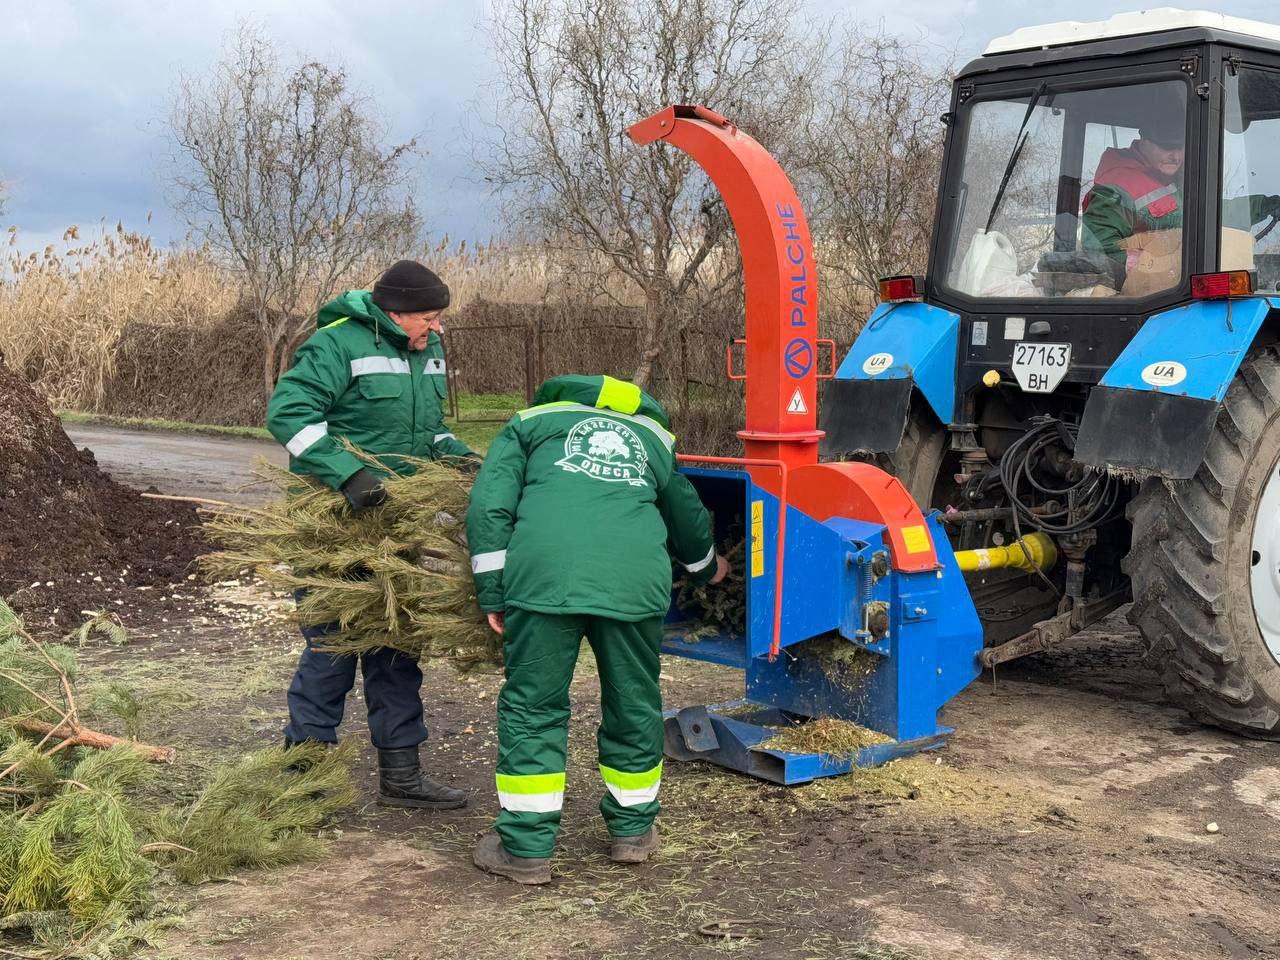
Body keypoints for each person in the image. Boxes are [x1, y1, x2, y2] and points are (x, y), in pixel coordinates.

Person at [465, 374, 729, 884]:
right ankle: (632, 833)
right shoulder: (652, 437)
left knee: (533, 707)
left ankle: (525, 850)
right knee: (633, 700)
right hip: (632, 587)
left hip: (544, 584)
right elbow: (686, 515)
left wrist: (493, 592)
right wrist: (707, 568)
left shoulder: (530, 423)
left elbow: (488, 508)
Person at [266, 259, 480, 810]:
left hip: (396, 524)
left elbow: (430, 430)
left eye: (438, 319)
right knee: (333, 647)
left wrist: (459, 461)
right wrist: (349, 475)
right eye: (428, 318)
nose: (436, 328)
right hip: (334, 526)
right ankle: (303, 781)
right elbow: (289, 415)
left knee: (397, 644)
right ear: (395, 312)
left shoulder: (426, 350)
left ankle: (402, 777)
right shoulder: (336, 344)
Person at [1083, 113, 1280, 275]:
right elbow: (1099, 253)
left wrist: (1265, 206)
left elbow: (1211, 216)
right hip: (1147, 298)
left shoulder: (1168, 180)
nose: (1175, 155)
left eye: (1180, 147)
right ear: (1143, 141)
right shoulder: (1113, 190)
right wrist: (1147, 266)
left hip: (1175, 283)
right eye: (1166, 147)